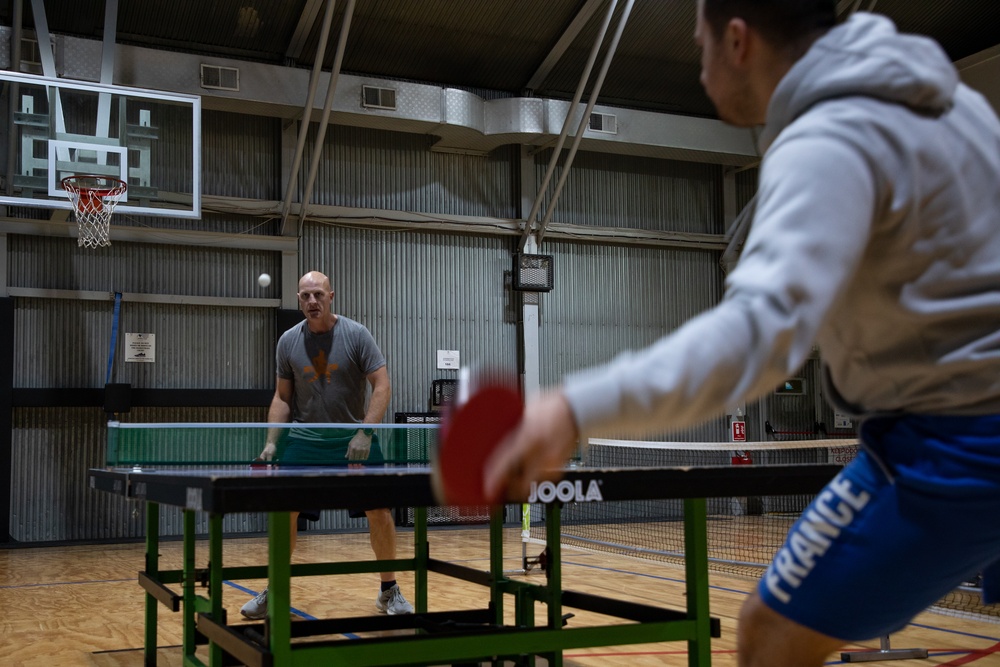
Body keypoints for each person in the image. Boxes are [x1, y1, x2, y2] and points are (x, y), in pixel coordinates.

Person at [484, 2, 1000, 665]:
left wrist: (573, 405)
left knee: (769, 635)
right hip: (948, 423)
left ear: (737, 41)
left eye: (700, 48)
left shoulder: (829, 137)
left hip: (959, 441)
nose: (700, 70)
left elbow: (757, 337)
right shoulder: (960, 109)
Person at [241, 270, 413, 619]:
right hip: (305, 439)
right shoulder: (288, 341)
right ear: (299, 300)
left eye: (318, 294)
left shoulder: (356, 334)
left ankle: (388, 590)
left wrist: (364, 432)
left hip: (353, 438)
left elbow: (381, 386)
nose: (312, 301)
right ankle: (276, 588)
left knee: (379, 511)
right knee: (282, 511)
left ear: (331, 296)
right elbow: (282, 397)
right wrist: (272, 443)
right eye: (305, 296)